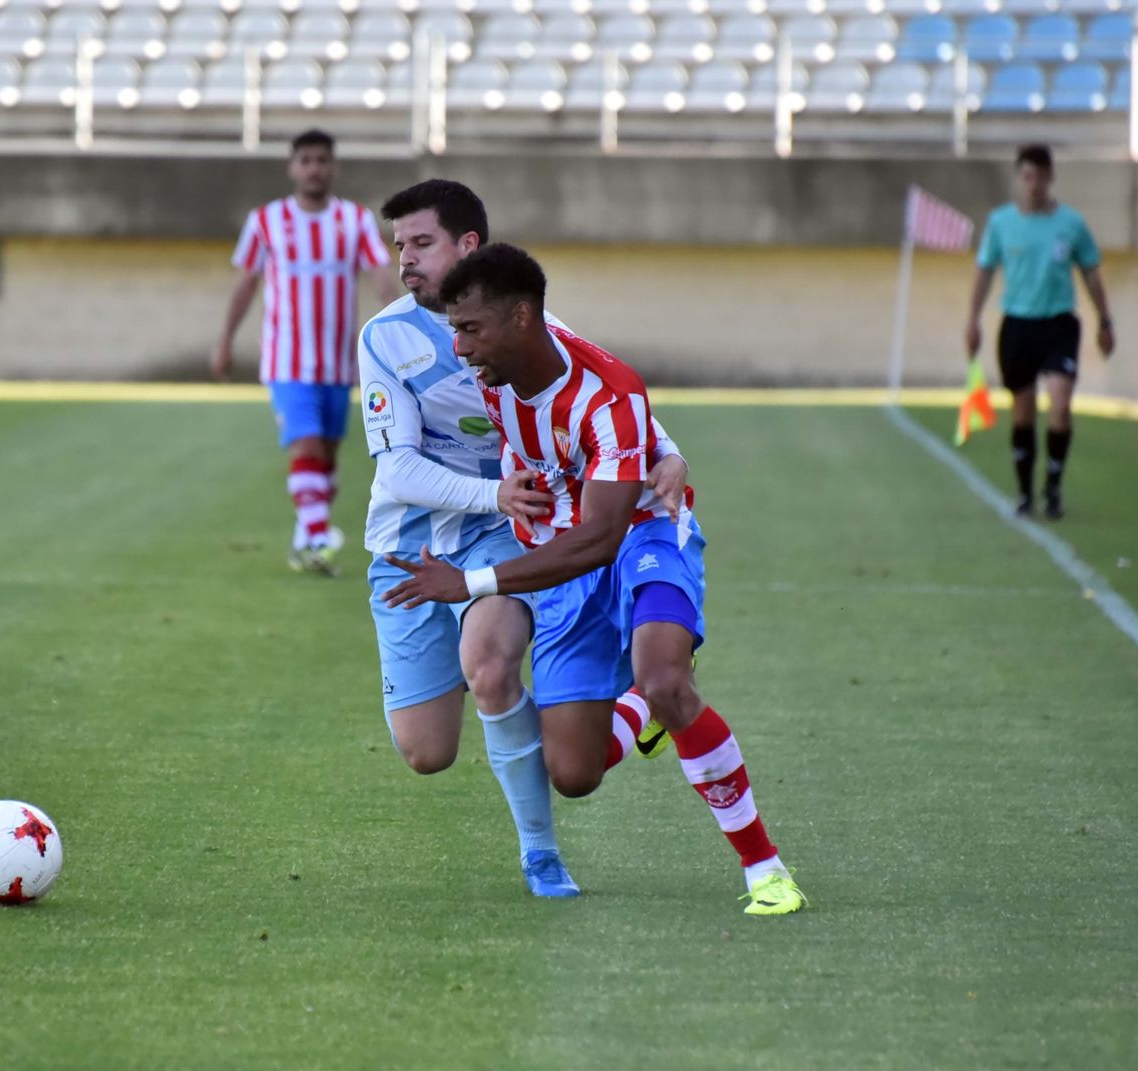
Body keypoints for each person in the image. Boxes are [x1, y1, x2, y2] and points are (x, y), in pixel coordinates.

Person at [383, 243, 806, 917]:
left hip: (642, 533)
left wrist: (474, 581)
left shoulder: (606, 394)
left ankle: (767, 868)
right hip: (561, 563)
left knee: (670, 679)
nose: (458, 349)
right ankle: (640, 705)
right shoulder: (497, 374)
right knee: (574, 774)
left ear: (522, 318)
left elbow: (602, 535)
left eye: (469, 329)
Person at [361, 180, 689, 898]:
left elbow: (602, 392)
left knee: (491, 664)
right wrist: (492, 488)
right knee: (426, 752)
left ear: (467, 246)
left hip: (508, 531)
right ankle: (626, 707)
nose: (405, 261)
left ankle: (541, 854)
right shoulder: (383, 338)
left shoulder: (525, 319)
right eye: (399, 247)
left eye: (422, 244)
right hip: (408, 542)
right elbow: (399, 466)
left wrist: (667, 449)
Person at [213, 129, 396, 573]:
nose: (314, 168)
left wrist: (400, 330)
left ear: (333, 167)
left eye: (321, 160)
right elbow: (246, 283)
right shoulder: (266, 221)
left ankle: (304, 538)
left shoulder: (354, 220)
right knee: (308, 446)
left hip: (337, 364)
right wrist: (224, 340)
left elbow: (381, 277)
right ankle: (318, 537)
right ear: (293, 167)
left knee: (327, 458)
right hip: (286, 360)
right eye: (306, 160)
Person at [965, 144, 1115, 519]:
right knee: (1024, 411)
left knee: (1061, 405)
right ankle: (1025, 492)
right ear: (1019, 178)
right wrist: (972, 319)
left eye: (1039, 177)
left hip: (1059, 323)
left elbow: (1091, 272)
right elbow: (984, 271)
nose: (1033, 185)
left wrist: (1104, 320)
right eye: (1026, 177)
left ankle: (1053, 486)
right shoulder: (1001, 223)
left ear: (1050, 178)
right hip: (1017, 324)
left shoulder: (1071, 224)